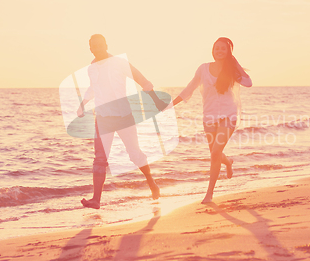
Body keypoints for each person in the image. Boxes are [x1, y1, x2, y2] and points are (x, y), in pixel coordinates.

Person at [77, 34, 166, 209]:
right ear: (90, 48)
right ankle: (96, 200)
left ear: (106, 45)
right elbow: (93, 87)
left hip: (124, 116)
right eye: (92, 46)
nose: (96, 48)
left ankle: (151, 182)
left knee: (134, 154)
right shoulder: (92, 68)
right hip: (102, 118)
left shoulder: (119, 63)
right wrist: (83, 103)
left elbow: (139, 77)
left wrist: (152, 94)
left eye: (99, 45)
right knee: (99, 159)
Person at [171, 37, 252, 203]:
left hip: (228, 115)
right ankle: (228, 162)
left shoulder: (232, 70)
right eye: (217, 48)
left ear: (229, 52)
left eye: (223, 49)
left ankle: (209, 194)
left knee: (215, 153)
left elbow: (248, 83)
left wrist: (236, 65)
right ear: (212, 50)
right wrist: (172, 104)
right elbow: (190, 87)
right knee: (215, 154)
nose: (219, 51)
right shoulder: (203, 68)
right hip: (209, 116)